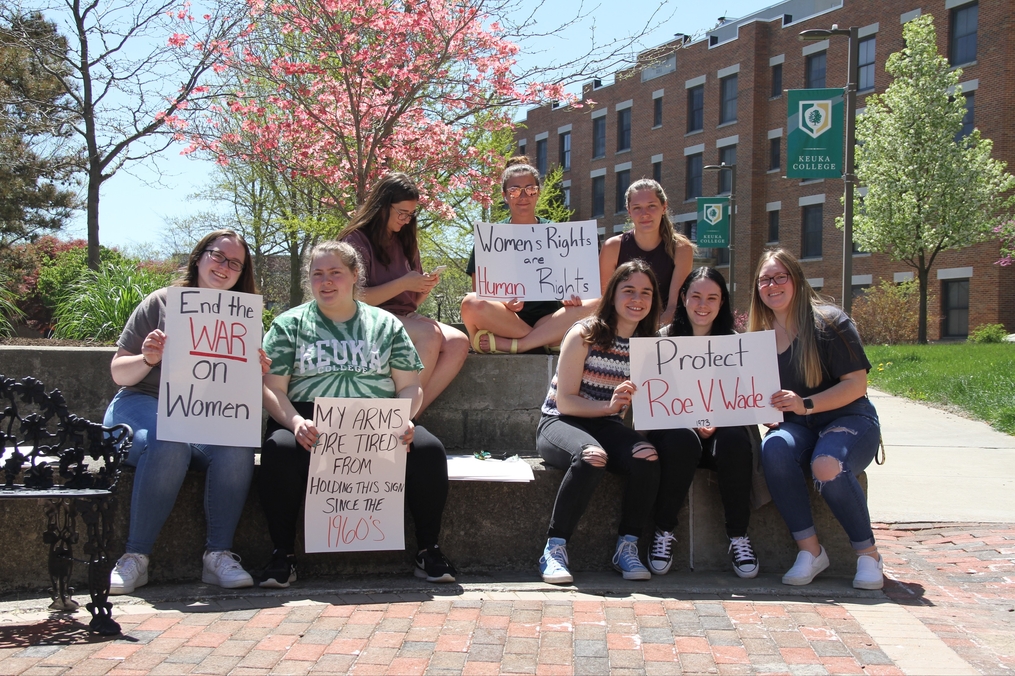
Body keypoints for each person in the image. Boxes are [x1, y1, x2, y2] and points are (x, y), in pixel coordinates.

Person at [256, 241, 456, 587]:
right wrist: (295, 422)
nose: (326, 281)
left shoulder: (386, 325)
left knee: (428, 450)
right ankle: (282, 555)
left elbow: (410, 386)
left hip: (375, 422)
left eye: (335, 273)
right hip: (307, 420)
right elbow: (272, 388)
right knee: (280, 450)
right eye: (318, 274)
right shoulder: (289, 325)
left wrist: (404, 419)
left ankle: (429, 550)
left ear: (354, 276)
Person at [104, 229, 266, 594]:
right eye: (217, 256)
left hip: (202, 416)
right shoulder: (160, 303)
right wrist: (147, 358)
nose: (224, 267)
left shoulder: (242, 322)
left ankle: (218, 556)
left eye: (235, 264)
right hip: (140, 405)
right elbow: (119, 372)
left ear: (242, 274)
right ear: (198, 257)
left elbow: (235, 391)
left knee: (238, 446)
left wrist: (254, 370)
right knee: (168, 441)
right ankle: (136, 558)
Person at [748, 249, 883, 590]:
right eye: (765, 279)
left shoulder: (831, 322)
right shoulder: (755, 340)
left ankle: (868, 555)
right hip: (798, 427)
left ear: (797, 279)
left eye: (781, 276)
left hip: (850, 419)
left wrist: (804, 403)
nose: (772, 285)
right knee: (774, 448)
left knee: (826, 464)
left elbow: (856, 384)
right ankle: (811, 551)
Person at [536, 260, 662, 584]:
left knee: (647, 456)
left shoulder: (650, 346)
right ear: (613, 294)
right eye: (629, 290)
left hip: (607, 426)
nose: (638, 299)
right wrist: (609, 406)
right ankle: (554, 547)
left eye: (645, 292)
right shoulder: (584, 333)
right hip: (559, 422)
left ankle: (627, 546)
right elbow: (565, 400)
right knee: (593, 456)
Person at [644, 267, 760, 578]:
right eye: (695, 296)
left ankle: (739, 536)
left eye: (712, 297)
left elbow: (745, 402)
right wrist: (691, 421)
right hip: (678, 438)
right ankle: (663, 532)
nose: (702, 304)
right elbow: (655, 403)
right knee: (681, 439)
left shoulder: (736, 345)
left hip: (723, 436)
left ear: (722, 303)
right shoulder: (661, 343)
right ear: (683, 298)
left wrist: (718, 420)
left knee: (736, 441)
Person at [339, 173, 468, 415]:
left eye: (411, 214)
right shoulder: (356, 239)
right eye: (402, 213)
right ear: (382, 206)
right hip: (365, 317)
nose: (406, 220)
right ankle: (397, 421)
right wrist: (403, 283)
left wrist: (422, 288)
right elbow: (354, 298)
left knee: (458, 341)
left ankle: (410, 417)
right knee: (430, 334)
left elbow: (411, 304)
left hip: (401, 316)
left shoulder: (406, 239)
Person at [460, 156, 592, 354]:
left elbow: (580, 287)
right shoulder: (489, 237)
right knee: (470, 303)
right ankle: (548, 340)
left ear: (538, 193)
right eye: (514, 190)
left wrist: (572, 297)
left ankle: (520, 344)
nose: (523, 196)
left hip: (552, 318)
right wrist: (503, 302)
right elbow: (480, 290)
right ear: (504, 195)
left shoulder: (560, 234)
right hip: (507, 319)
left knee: (599, 302)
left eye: (530, 189)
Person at [598, 179, 694, 327]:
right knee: (579, 307)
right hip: (619, 323)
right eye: (637, 208)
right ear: (629, 211)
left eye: (651, 206)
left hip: (659, 325)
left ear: (664, 207)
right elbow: (604, 300)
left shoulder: (681, 249)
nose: (645, 214)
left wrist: (647, 334)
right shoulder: (612, 247)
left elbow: (673, 307)